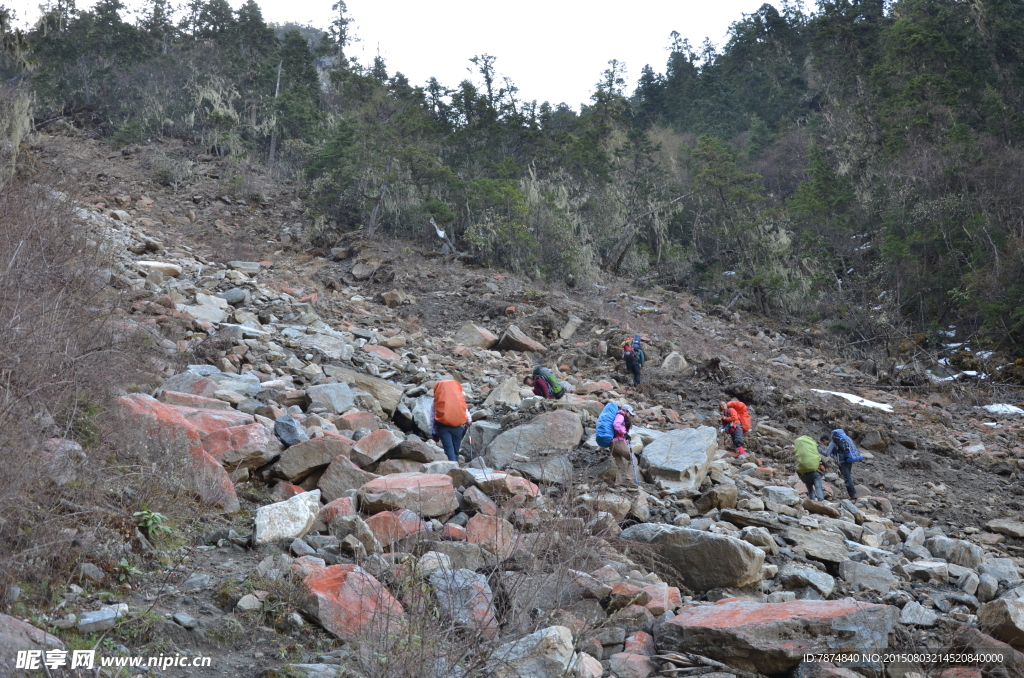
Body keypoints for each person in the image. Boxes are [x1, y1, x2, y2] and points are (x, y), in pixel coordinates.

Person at [430, 380, 471, 463]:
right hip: (459, 427)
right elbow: (466, 413)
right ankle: (456, 468)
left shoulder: (437, 401)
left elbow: (432, 417)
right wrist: (469, 421)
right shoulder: (459, 399)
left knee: (449, 451)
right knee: (456, 450)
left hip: (443, 427)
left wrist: (434, 432)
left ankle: (453, 469)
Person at [820, 430, 861, 500]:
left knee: (847, 478)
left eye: (823, 442)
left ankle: (853, 494)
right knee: (848, 477)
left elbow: (826, 454)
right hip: (848, 460)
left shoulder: (832, 443)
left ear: (824, 440)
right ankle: (853, 493)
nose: (823, 444)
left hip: (843, 462)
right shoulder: (838, 442)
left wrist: (818, 449)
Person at [610, 404, 638, 485]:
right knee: (633, 459)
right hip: (618, 443)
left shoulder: (618, 415)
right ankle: (629, 481)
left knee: (620, 466)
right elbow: (616, 425)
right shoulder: (621, 415)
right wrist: (625, 433)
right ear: (625, 411)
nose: (630, 416)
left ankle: (618, 484)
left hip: (612, 444)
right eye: (629, 413)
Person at [794, 435, 825, 501]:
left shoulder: (800, 449)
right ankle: (821, 501)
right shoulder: (813, 447)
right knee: (818, 487)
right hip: (814, 471)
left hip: (804, 473)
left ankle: (812, 502)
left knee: (810, 490)